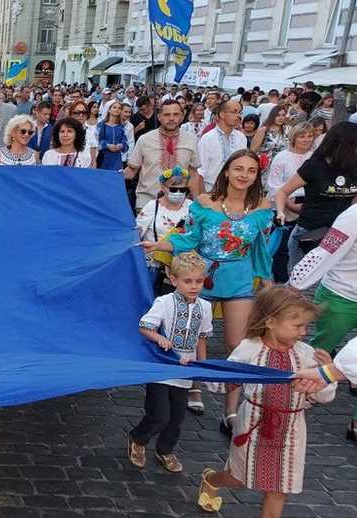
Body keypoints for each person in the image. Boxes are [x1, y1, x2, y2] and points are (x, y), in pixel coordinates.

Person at [144, 150, 274, 437]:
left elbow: (260, 249)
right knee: (193, 336)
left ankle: (230, 409)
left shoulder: (263, 208)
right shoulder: (204, 203)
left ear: (256, 176)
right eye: (238, 168)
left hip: (239, 281)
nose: (243, 175)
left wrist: (268, 283)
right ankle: (194, 386)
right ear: (226, 171)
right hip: (202, 278)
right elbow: (190, 238)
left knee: (236, 346)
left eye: (251, 171)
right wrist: (159, 246)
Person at [196, 286, 336, 517]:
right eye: (297, 325)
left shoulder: (306, 354)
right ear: (270, 322)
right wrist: (207, 371)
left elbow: (325, 397)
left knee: (279, 489)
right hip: (253, 425)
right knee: (239, 477)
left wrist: (327, 375)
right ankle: (211, 479)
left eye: (306, 326)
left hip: (291, 430)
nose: (303, 332)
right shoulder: (249, 349)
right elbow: (220, 384)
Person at [128, 252, 212, 474]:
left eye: (198, 281)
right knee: (159, 414)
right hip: (162, 366)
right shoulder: (163, 302)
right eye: (187, 281)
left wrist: (203, 367)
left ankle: (165, 449)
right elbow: (144, 326)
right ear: (173, 279)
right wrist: (159, 337)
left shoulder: (205, 307)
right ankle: (138, 437)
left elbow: (202, 337)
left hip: (184, 370)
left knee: (176, 417)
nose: (194, 286)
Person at [289, 198, 357, 439]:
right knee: (317, 353)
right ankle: (297, 396)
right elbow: (326, 251)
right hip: (340, 296)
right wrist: (294, 285)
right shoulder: (353, 216)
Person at [275, 122, 357, 272]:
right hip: (308, 234)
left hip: (338, 234)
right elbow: (282, 191)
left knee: (326, 281)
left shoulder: (353, 167)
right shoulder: (314, 166)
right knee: (301, 283)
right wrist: (282, 211)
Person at [124, 100, 202, 209]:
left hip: (179, 206)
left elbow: (193, 174)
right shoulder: (145, 140)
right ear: (159, 117)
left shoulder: (191, 140)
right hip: (147, 204)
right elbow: (132, 170)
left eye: (175, 114)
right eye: (166, 115)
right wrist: (109, 177)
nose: (171, 118)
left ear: (182, 116)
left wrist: (198, 204)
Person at [265, 122, 314, 282]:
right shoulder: (282, 157)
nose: (306, 140)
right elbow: (274, 184)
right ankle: (280, 281)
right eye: (302, 136)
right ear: (294, 137)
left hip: (308, 207)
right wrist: (287, 205)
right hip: (284, 207)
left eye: (309, 136)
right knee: (282, 249)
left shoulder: (314, 157)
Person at [135, 166, 193, 292]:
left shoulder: (192, 207)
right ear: (163, 187)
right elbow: (137, 232)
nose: (178, 192)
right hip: (152, 266)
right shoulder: (152, 206)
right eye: (173, 189)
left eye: (182, 189)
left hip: (181, 267)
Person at [196, 100, 247, 194]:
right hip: (210, 190)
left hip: (233, 192)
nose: (238, 116)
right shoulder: (208, 138)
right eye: (234, 112)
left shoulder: (241, 138)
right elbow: (200, 172)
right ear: (222, 114)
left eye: (240, 113)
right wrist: (203, 198)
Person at [96, 101, 129, 171]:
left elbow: (126, 144)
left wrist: (121, 145)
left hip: (117, 160)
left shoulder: (121, 126)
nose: (117, 109)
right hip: (104, 160)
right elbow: (96, 142)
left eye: (119, 108)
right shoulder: (101, 125)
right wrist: (107, 145)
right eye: (114, 107)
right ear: (109, 110)